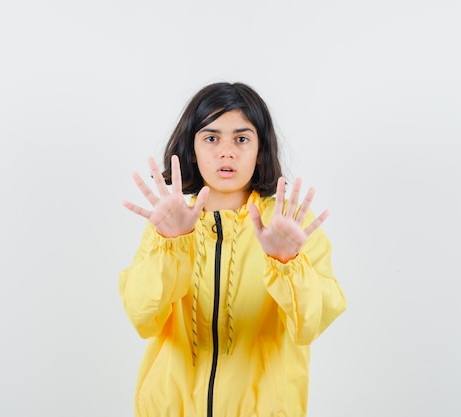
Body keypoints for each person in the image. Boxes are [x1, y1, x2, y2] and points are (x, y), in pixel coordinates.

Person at [119, 82, 347, 417]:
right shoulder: (170, 224)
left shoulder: (287, 225)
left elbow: (310, 325)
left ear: (260, 149)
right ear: (192, 148)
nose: (226, 152)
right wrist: (170, 245)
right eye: (211, 138)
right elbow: (143, 319)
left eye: (242, 139)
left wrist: (286, 263)